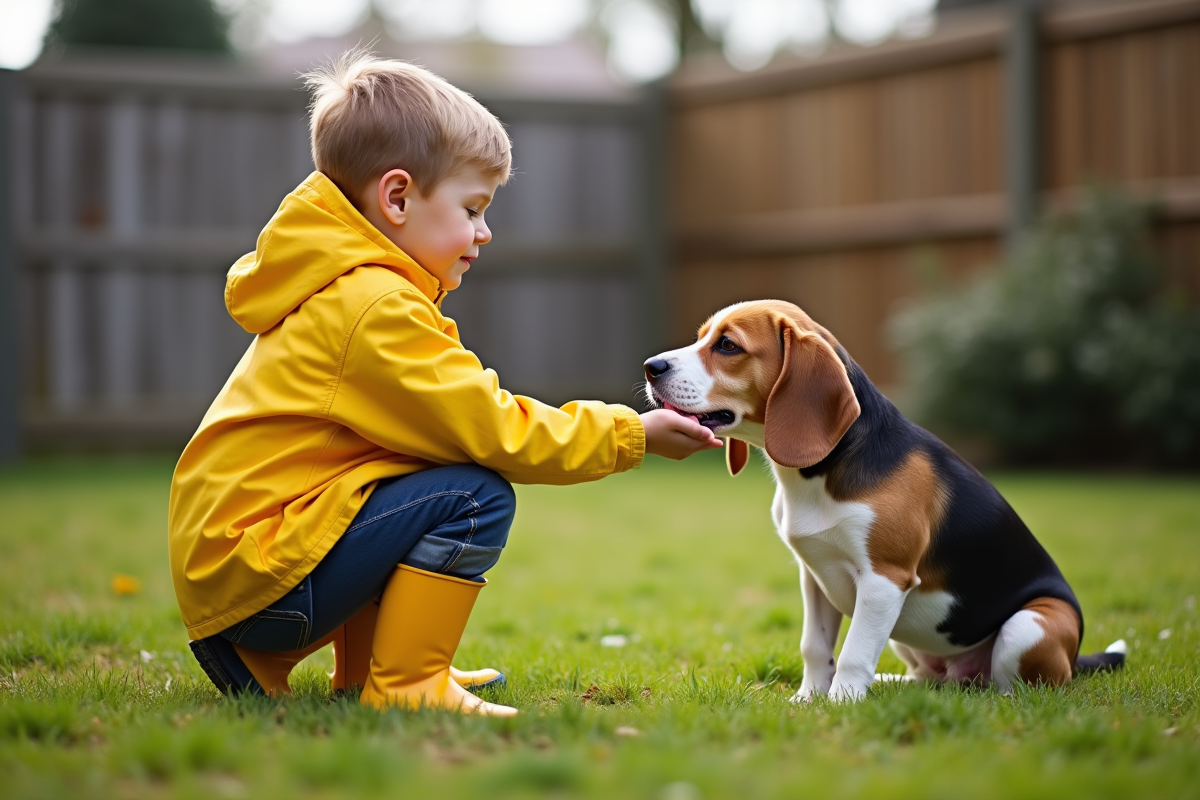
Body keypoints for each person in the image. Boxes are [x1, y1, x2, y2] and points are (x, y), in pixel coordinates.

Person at [170, 51, 720, 717]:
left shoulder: (347, 289)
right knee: (472, 494)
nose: (484, 233)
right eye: (472, 208)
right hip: (262, 580)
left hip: (246, 571)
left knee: (415, 468)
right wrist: (633, 433)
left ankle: (359, 669)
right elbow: (495, 430)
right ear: (398, 197)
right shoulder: (375, 308)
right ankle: (407, 682)